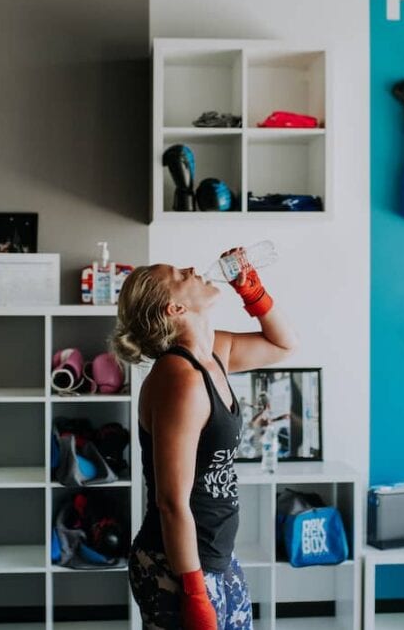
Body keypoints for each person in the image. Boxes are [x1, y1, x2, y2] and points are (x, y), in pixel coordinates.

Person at [113, 248, 297, 630]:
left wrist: (254, 294)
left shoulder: (215, 353)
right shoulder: (178, 380)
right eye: (181, 275)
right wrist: (195, 594)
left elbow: (283, 345)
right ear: (174, 309)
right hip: (177, 566)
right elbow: (170, 502)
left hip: (216, 555)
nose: (194, 269)